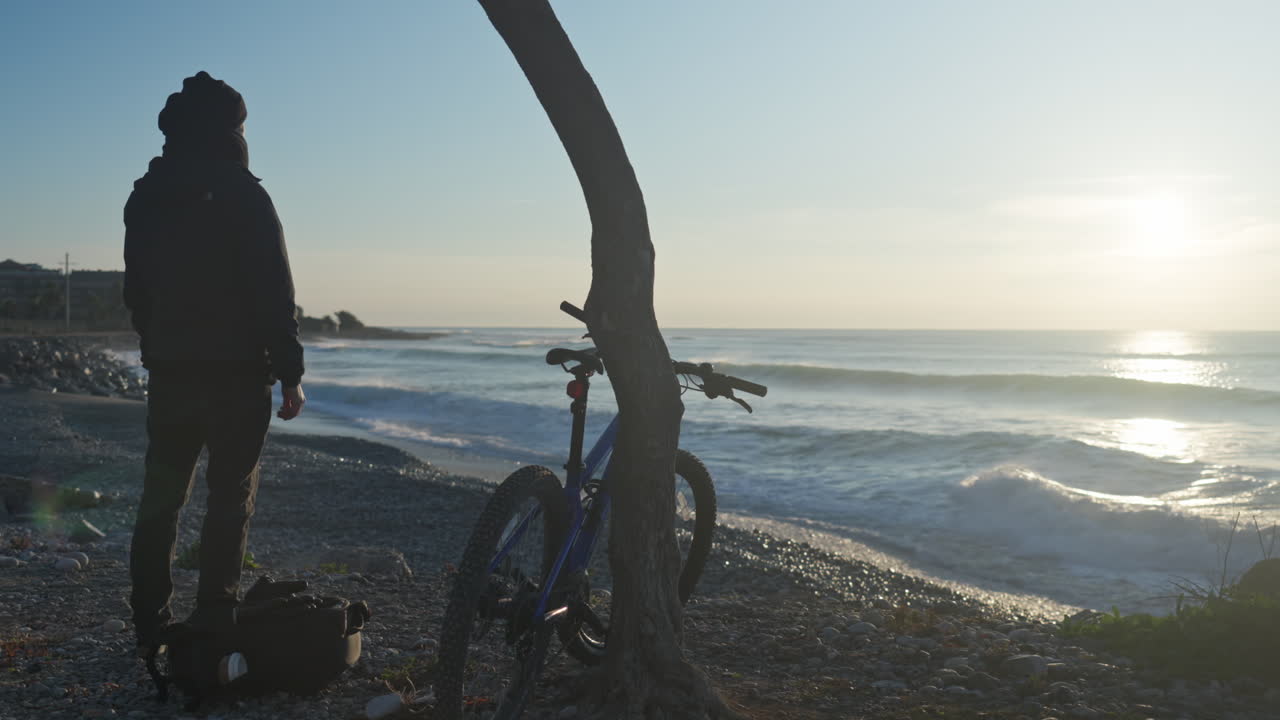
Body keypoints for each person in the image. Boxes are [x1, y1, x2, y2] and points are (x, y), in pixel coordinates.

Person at [123, 71, 306, 655]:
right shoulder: (245, 193)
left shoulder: (145, 195)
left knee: (162, 499)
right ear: (231, 128)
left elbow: (138, 289)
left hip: (172, 371)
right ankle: (213, 620)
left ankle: (149, 624)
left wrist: (156, 346)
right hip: (235, 375)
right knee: (229, 499)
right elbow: (273, 290)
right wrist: (291, 372)